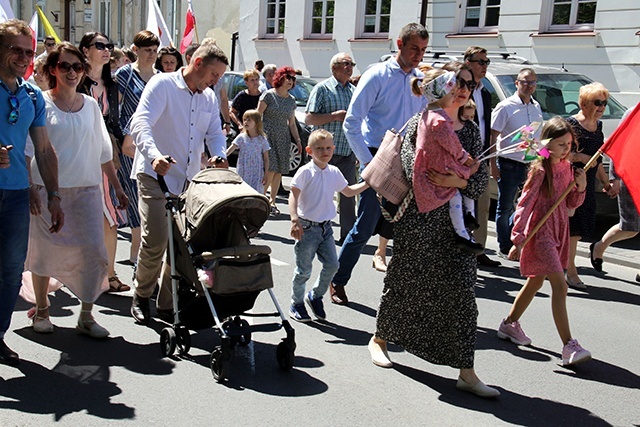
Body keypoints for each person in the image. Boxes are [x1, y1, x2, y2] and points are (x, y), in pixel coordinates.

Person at [367, 65, 499, 398]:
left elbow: (480, 177)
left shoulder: (469, 131)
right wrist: (453, 177)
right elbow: (414, 167)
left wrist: (461, 181)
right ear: (441, 88)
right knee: (405, 280)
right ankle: (380, 338)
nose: (463, 89)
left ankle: (466, 371)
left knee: (463, 292)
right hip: (420, 219)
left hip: (456, 228)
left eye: (469, 84)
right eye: (457, 83)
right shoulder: (421, 121)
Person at [25, 42, 128, 338]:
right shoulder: (39, 103)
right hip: (48, 192)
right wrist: (31, 187)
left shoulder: (91, 106)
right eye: (65, 66)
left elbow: (103, 151)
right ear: (53, 69)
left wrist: (118, 188)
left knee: (93, 254)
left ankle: (86, 315)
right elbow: (29, 151)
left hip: (87, 191)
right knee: (44, 254)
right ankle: (42, 311)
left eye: (77, 67)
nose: (72, 72)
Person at [128, 42, 229, 325]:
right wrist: (154, 154)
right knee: (156, 240)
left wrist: (219, 154)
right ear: (197, 64)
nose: (216, 81)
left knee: (181, 246)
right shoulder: (163, 85)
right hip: (154, 175)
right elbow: (141, 123)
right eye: (214, 74)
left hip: (188, 181)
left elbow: (214, 134)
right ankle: (141, 294)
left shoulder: (208, 97)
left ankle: (166, 303)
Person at [331, 22, 429, 305]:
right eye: (414, 49)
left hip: (409, 157)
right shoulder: (378, 75)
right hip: (378, 154)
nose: (418, 55)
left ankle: (404, 296)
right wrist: (370, 163)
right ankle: (338, 280)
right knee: (365, 226)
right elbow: (352, 123)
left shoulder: (421, 80)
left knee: (410, 231)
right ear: (400, 45)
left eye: (423, 50)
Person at [497, 117, 591, 366]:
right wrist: (517, 238)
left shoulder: (568, 169)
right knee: (560, 285)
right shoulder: (540, 170)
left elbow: (570, 205)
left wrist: (580, 188)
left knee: (535, 282)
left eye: (569, 143)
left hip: (559, 229)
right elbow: (524, 204)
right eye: (561, 144)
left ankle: (508, 324)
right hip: (540, 234)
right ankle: (569, 345)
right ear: (547, 145)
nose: (566, 148)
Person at [0, 18, 63, 366]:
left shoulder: (31, 95)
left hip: (15, 195)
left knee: (10, 270)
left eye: (29, 52)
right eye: (16, 50)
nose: (24, 58)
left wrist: (54, 196)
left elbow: (43, 149)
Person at [288, 129, 368, 322]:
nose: (325, 152)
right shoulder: (305, 172)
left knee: (332, 265)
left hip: (325, 229)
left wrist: (368, 183)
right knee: (303, 270)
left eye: (328, 148)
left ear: (333, 149)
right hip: (306, 228)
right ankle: (296, 303)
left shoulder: (334, 172)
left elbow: (348, 191)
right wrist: (294, 219)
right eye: (319, 148)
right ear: (309, 150)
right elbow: (293, 194)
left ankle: (315, 296)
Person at [78, 31, 130, 293]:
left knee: (109, 214)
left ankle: (109, 274)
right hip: (78, 155)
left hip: (105, 154)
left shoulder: (112, 85)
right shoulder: (75, 79)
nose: (107, 50)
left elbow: (115, 122)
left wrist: (122, 144)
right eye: (100, 46)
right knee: (79, 215)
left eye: (109, 46)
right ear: (86, 49)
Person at [414, 68, 482, 253]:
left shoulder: (427, 114)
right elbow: (452, 145)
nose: (455, 95)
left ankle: (467, 219)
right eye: (452, 92)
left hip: (432, 165)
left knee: (459, 191)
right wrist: (464, 159)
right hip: (440, 166)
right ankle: (463, 230)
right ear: (440, 94)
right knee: (457, 191)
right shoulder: (440, 121)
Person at [115, 30, 160, 269]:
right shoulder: (125, 75)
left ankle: (145, 260)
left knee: (152, 203)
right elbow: (115, 108)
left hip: (153, 145)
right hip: (129, 147)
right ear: (136, 50)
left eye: (155, 51)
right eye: (147, 51)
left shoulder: (160, 78)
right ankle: (136, 259)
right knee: (134, 202)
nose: (151, 55)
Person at [490, 68, 543, 257]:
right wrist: (492, 165)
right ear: (517, 83)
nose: (529, 86)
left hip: (531, 163)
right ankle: (504, 246)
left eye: (533, 82)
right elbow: (493, 136)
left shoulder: (536, 107)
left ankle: (514, 239)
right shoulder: (506, 106)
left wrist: (543, 157)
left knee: (525, 204)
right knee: (504, 206)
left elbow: (535, 137)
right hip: (509, 163)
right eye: (525, 82)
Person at [305, 52, 357, 243]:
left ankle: (348, 236)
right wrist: (333, 116)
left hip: (345, 151)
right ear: (334, 67)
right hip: (323, 154)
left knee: (348, 195)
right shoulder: (322, 89)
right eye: (345, 63)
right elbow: (309, 118)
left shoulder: (353, 91)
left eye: (351, 63)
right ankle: (314, 229)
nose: (350, 67)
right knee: (319, 193)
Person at [565, 83, 610, 289]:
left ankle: (557, 264)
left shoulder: (598, 127)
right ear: (583, 104)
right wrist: (579, 157)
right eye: (597, 103)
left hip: (588, 182)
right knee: (572, 229)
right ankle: (570, 271)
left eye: (604, 103)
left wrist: (605, 182)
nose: (601, 107)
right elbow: (550, 151)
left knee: (581, 226)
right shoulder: (570, 124)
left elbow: (597, 159)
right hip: (570, 182)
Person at [589, 107, 639, 282]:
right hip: (631, 177)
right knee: (630, 227)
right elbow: (620, 144)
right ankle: (599, 247)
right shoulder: (634, 113)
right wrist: (614, 178)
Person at [464, 46, 500, 268]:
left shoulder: (485, 92)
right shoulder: (461, 90)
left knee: (483, 205)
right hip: (464, 159)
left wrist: (490, 157)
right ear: (468, 63)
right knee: (463, 205)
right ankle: (461, 248)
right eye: (481, 62)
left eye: (487, 62)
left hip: (483, 157)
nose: (485, 66)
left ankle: (478, 249)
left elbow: (487, 126)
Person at [257, 66, 302, 214]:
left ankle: (272, 201)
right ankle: (261, 199)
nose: (290, 81)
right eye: (288, 77)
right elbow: (258, 115)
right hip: (268, 136)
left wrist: (298, 140)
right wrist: (256, 135)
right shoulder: (268, 95)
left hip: (283, 137)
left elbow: (292, 123)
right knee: (270, 169)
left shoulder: (291, 100)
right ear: (280, 78)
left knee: (278, 172)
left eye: (293, 79)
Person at [225, 109, 270, 192]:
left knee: (255, 191)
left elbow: (266, 158)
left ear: (256, 122)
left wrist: (266, 173)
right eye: (244, 119)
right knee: (242, 191)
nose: (246, 122)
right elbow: (229, 150)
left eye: (249, 120)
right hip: (243, 170)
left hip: (256, 172)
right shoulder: (241, 137)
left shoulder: (262, 139)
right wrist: (220, 157)